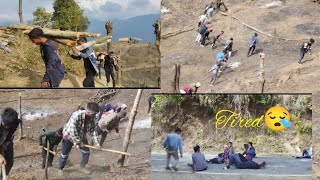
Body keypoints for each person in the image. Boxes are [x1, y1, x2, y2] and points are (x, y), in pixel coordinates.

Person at [58, 102, 102, 175]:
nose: (95, 116)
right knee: (64, 154)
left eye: (95, 114)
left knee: (86, 152)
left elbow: (93, 130)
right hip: (69, 136)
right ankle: (60, 168)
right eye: (93, 114)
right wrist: (79, 142)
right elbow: (72, 131)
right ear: (88, 111)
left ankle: (82, 166)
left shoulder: (93, 117)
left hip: (81, 135)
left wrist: (97, 143)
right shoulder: (76, 115)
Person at [0, 108, 21, 176]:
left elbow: (11, 133)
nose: (6, 127)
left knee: (8, 163)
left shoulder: (14, 123)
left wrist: (5, 143)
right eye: (5, 125)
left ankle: (3, 176)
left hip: (5, 140)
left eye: (8, 125)